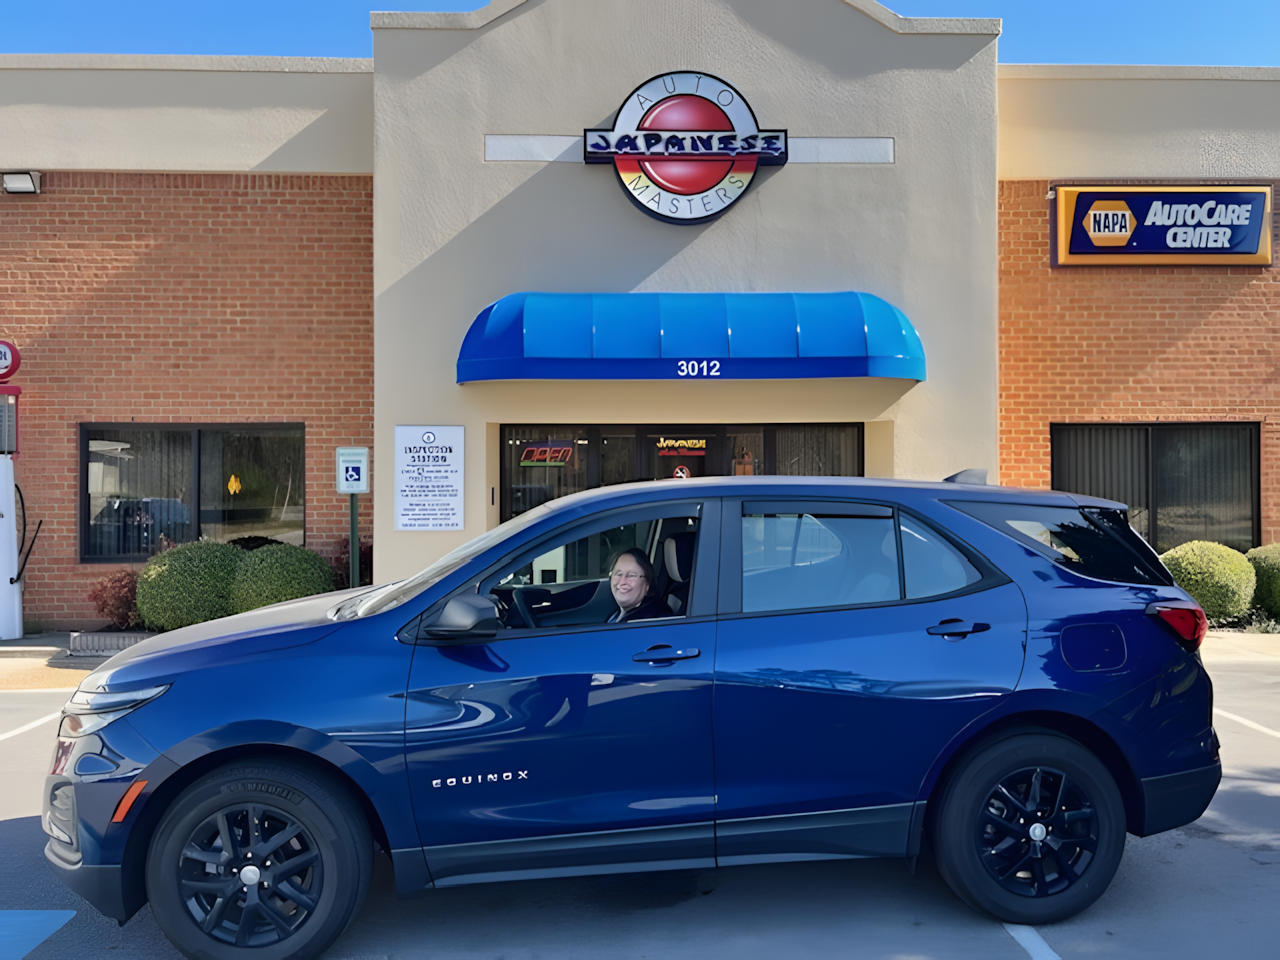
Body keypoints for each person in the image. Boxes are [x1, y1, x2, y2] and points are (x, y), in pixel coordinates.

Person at [606, 548, 671, 623]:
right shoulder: (619, 615)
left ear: (647, 584)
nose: (622, 581)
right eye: (618, 574)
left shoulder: (654, 621)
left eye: (632, 575)